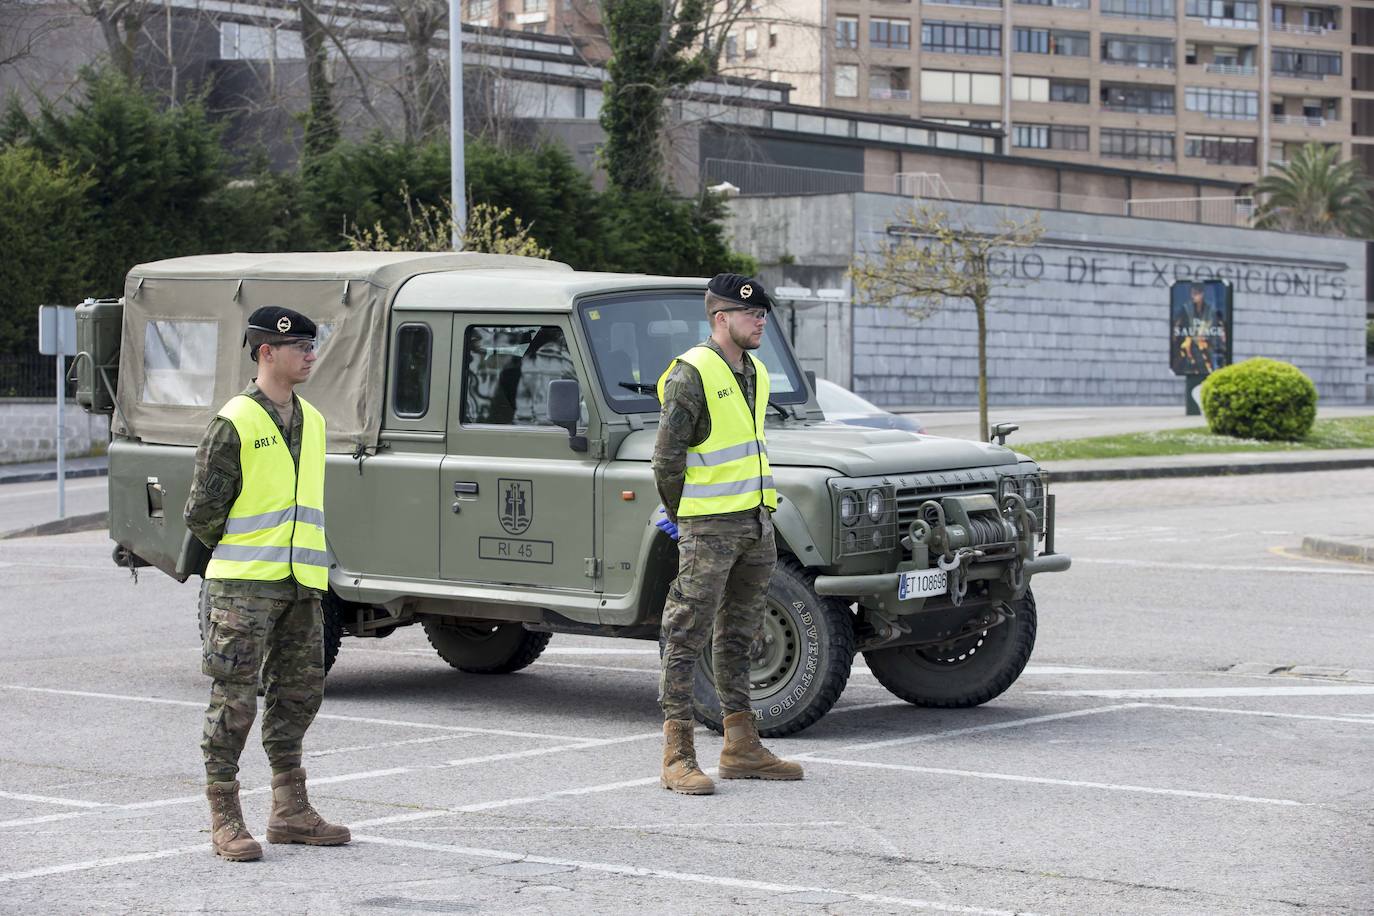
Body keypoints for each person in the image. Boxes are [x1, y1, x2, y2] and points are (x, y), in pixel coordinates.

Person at [184, 306, 349, 861]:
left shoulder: (316, 421)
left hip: (301, 583)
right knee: (233, 700)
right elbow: (202, 511)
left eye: (311, 344)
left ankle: (290, 810)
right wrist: (241, 556)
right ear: (265, 352)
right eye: (300, 346)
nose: (310, 354)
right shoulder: (236, 421)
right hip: (243, 587)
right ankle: (225, 815)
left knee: (299, 694)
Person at [651, 273, 804, 795]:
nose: (761, 321)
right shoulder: (690, 373)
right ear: (721, 318)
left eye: (763, 314)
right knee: (685, 632)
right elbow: (666, 458)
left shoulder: (757, 371)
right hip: (709, 526)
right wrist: (686, 516)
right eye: (752, 314)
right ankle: (677, 752)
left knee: (741, 634)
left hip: (756, 522)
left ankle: (741, 745)